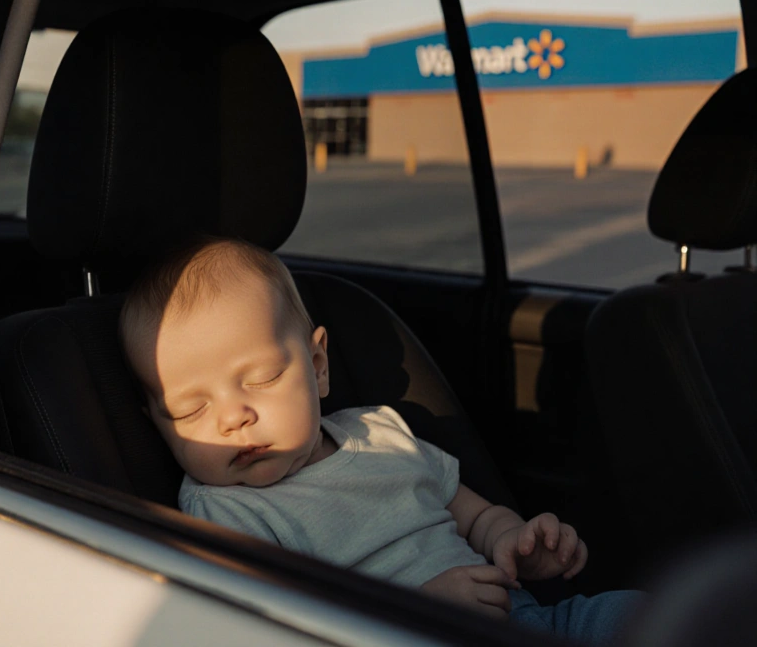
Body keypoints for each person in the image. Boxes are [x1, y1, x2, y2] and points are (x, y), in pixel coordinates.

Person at [118, 236, 642, 644]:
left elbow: (476, 515)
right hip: (394, 633)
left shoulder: (380, 430)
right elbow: (280, 626)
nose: (234, 416)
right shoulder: (223, 510)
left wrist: (513, 544)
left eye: (260, 379)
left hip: (521, 616)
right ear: (158, 423)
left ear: (318, 366)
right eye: (191, 409)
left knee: (650, 614)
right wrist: (417, 609)